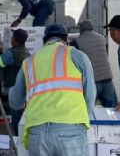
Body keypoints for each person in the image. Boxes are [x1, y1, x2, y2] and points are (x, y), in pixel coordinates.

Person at [9, 23, 96, 156]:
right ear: (66, 38)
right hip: (70, 129)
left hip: (37, 133)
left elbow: (15, 101)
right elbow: (90, 95)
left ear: (45, 40)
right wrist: (83, 119)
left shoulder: (29, 62)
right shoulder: (77, 56)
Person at [0, 29, 30, 136]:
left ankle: (18, 141)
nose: (11, 39)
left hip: (15, 89)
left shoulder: (12, 53)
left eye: (12, 37)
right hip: (25, 89)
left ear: (15, 40)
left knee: (17, 118)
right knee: (22, 117)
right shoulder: (25, 51)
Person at [71, 20, 118, 108]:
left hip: (92, 82)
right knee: (112, 108)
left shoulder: (76, 42)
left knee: (88, 109)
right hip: (107, 79)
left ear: (81, 29)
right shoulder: (102, 38)